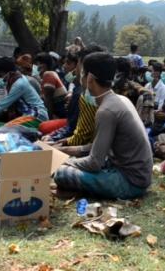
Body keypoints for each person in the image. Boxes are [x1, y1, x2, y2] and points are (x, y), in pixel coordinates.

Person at [53, 52, 153, 200]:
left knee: (61, 173)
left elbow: (95, 162)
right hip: (134, 173)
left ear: (90, 78)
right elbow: (97, 147)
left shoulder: (106, 111)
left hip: (130, 182)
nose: (79, 77)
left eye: (81, 73)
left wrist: (63, 161)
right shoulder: (120, 99)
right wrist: (63, 150)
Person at [0, 57, 48, 127]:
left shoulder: (19, 84)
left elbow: (0, 107)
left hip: (36, 115)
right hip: (27, 115)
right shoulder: (13, 81)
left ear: (8, 72)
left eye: (0, 75)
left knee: (3, 129)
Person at [34, 52, 68, 119]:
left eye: (41, 63)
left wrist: (48, 120)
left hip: (60, 116)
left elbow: (49, 101)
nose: (38, 66)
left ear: (47, 64)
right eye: (37, 64)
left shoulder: (48, 74)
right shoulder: (48, 75)